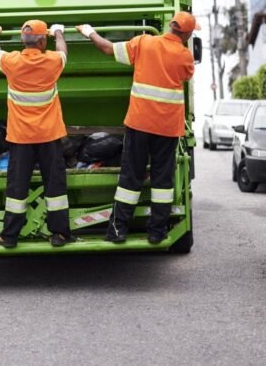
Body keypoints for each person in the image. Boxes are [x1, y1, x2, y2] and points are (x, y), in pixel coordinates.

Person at [76, 12, 197, 244]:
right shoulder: (184, 56)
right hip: (167, 127)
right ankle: (157, 232)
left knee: (131, 176)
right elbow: (185, 75)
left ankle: (118, 230)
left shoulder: (143, 42)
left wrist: (89, 31)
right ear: (188, 33)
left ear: (171, 26)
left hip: (140, 122)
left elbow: (107, 49)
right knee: (163, 180)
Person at [0, 20, 76, 248]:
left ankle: (9, 236)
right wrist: (59, 33)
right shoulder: (52, 61)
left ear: (22, 41)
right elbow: (63, 52)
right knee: (55, 185)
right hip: (49, 136)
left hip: (20, 137)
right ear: (43, 40)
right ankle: (59, 234)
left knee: (16, 187)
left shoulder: (12, 61)